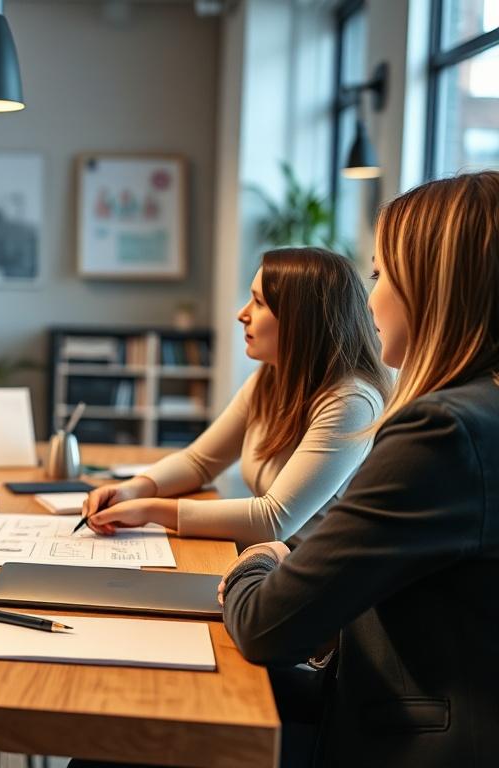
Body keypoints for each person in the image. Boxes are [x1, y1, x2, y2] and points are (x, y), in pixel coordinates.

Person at [220, 171, 499, 766]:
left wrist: (260, 560)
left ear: (432, 286)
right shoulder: (481, 411)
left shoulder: (443, 430)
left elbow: (266, 626)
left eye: (379, 275)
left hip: (399, 738)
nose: (368, 299)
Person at [81, 247, 390, 549]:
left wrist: (150, 510)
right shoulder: (271, 378)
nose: (241, 314)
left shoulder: (352, 402)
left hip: (316, 573)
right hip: (274, 556)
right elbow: (200, 461)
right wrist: (133, 489)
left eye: (258, 302)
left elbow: (274, 520)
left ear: (301, 321)